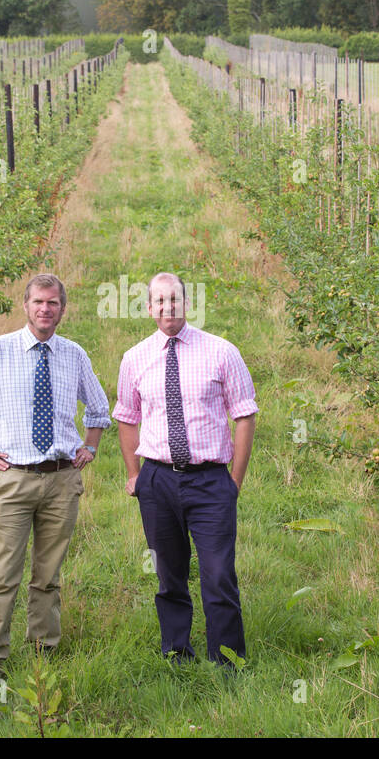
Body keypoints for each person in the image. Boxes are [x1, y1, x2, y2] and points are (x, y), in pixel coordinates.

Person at [0, 273, 110, 677]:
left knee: (48, 577)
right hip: (12, 479)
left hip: (61, 480)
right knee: (2, 576)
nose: (45, 309)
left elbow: (100, 409)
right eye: (38, 302)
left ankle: (43, 654)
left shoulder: (74, 355)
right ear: (25, 305)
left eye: (52, 303)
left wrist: (90, 447)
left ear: (63, 309)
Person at [114, 272, 257, 665]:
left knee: (218, 575)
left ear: (187, 303)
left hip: (210, 481)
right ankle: (177, 654)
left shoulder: (221, 351)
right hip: (157, 481)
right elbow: (127, 416)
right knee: (168, 575)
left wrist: (234, 481)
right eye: (159, 301)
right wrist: (134, 474)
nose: (167, 307)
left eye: (174, 299)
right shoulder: (135, 358)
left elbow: (244, 415)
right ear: (148, 308)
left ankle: (227, 659)